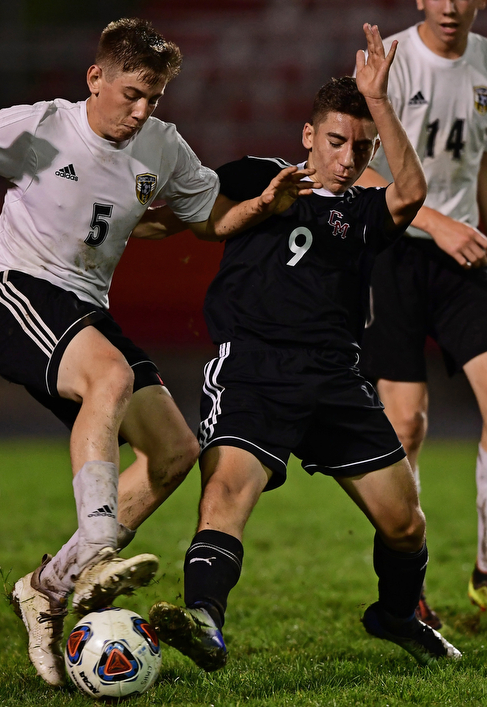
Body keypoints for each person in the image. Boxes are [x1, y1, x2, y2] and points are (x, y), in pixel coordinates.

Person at [0, 17, 316, 687]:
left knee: (176, 450)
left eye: (154, 97)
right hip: (17, 295)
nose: (141, 110)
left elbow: (209, 220)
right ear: (96, 78)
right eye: (131, 93)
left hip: (86, 310)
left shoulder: (163, 147)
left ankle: (47, 587)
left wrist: (263, 204)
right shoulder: (42, 127)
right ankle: (94, 543)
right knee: (111, 376)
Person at [147, 24, 462, 671]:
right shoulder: (259, 174)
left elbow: (410, 194)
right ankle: (204, 618)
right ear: (308, 136)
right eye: (337, 141)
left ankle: (398, 616)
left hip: (336, 379)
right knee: (229, 490)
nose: (347, 158)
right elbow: (188, 207)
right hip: (255, 370)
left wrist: (380, 102)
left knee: (406, 523)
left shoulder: (364, 209)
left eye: (360, 146)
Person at [356, 0, 487, 626]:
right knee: (405, 426)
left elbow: (480, 166)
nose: (452, 6)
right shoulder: (393, 62)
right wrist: (435, 223)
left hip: (465, 261)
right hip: (397, 256)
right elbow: (356, 168)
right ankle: (406, 591)